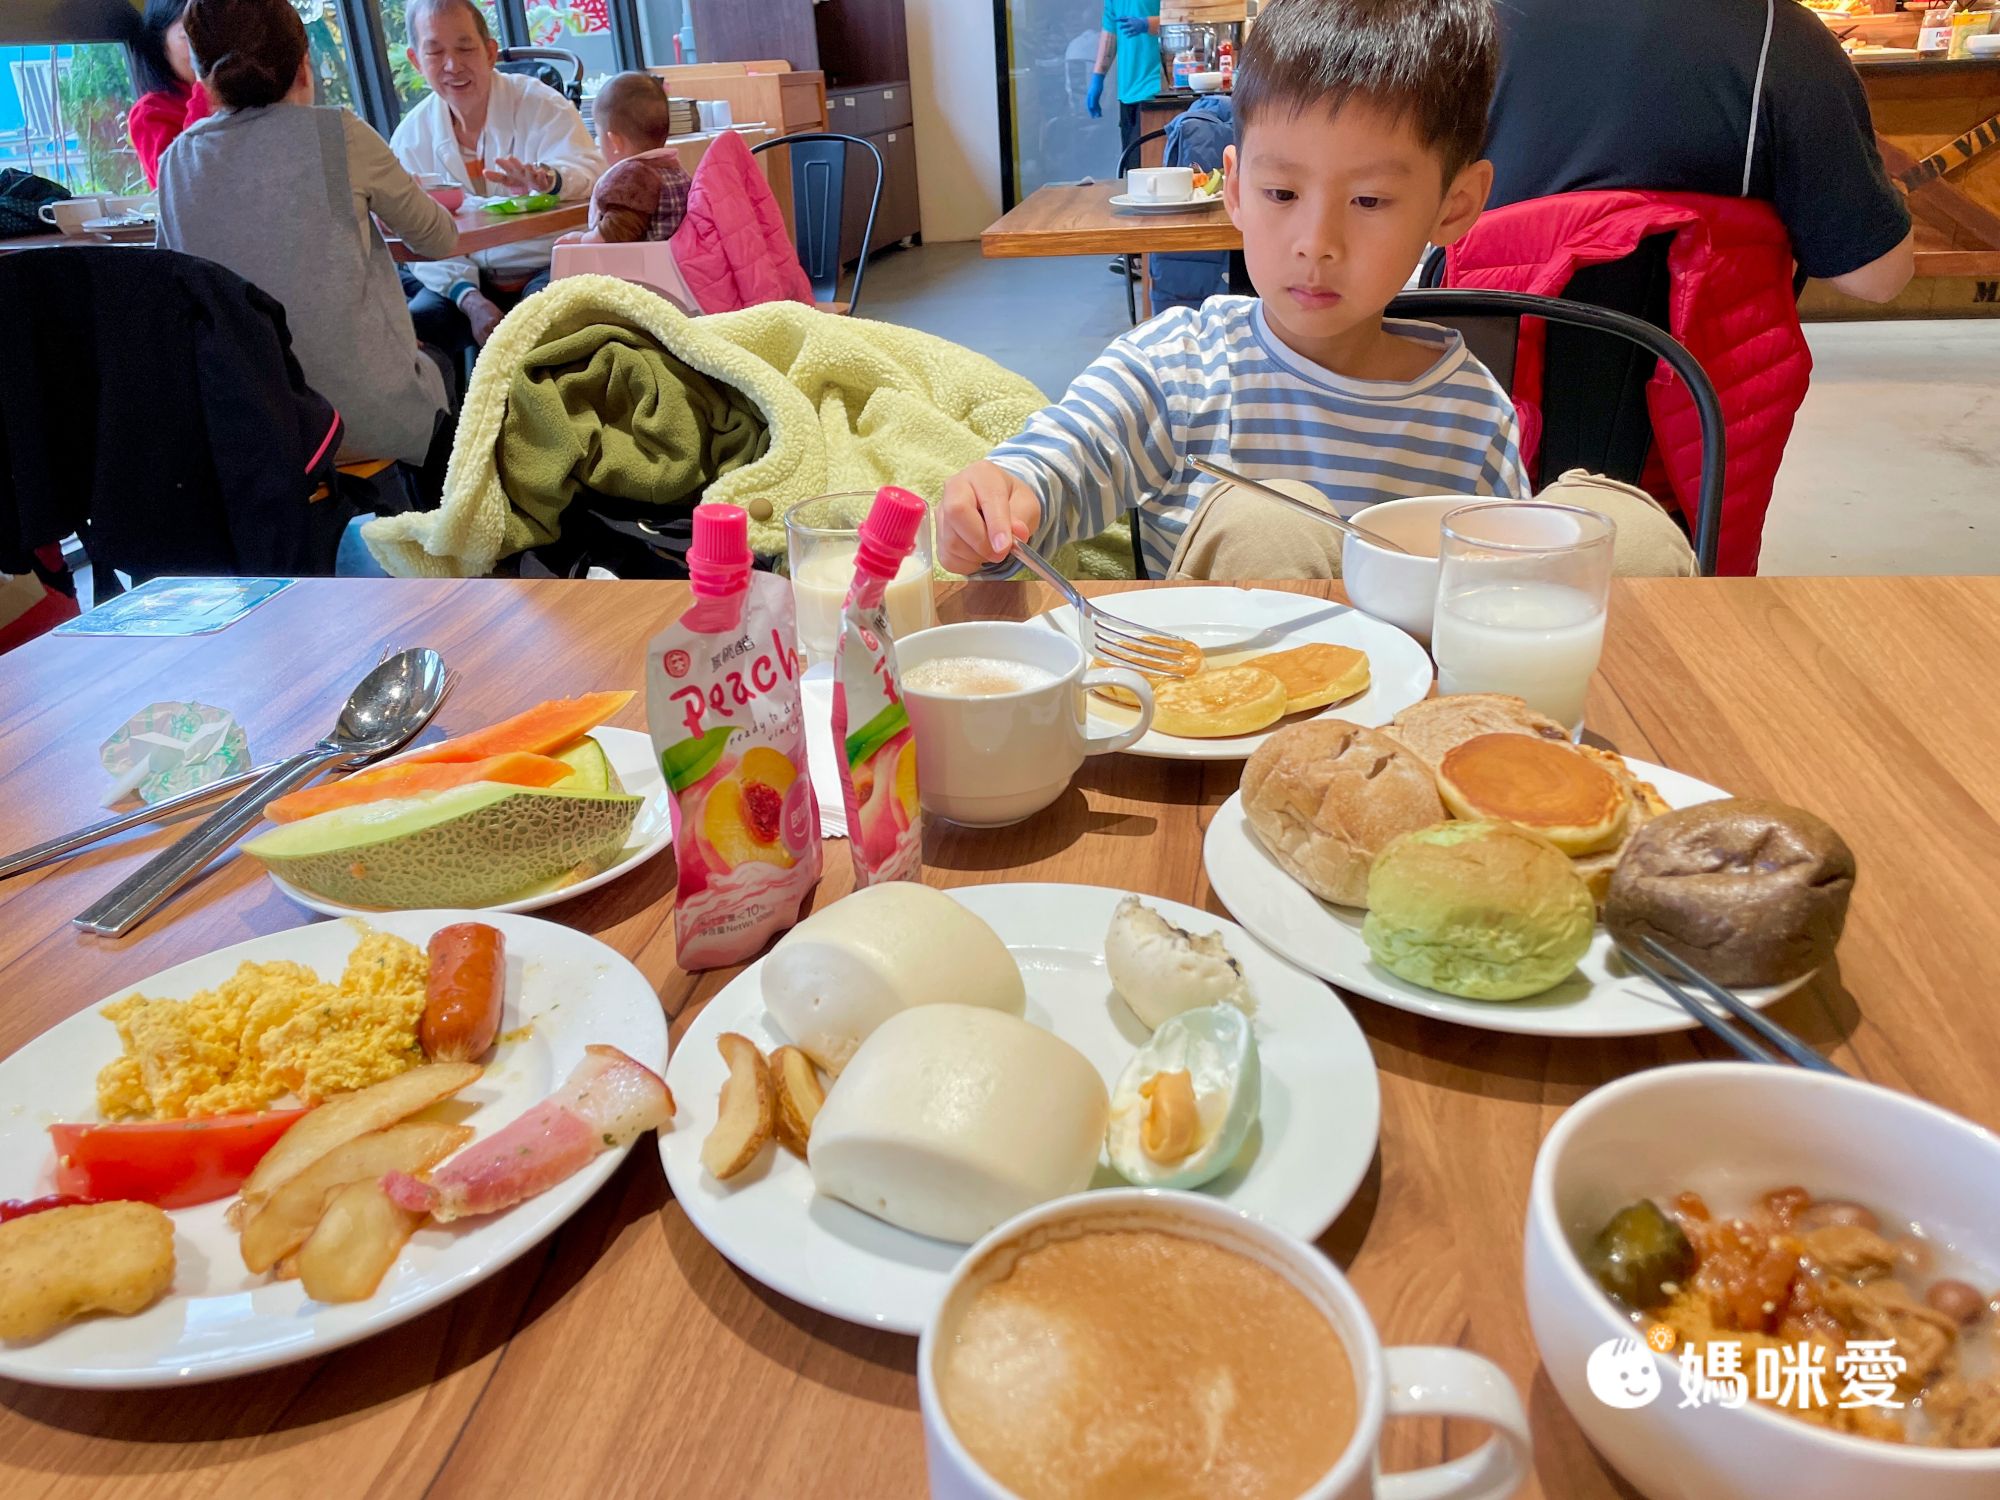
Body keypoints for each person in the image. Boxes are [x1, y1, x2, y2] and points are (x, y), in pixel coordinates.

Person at [941, 0, 1527, 579]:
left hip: (1408, 648)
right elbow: (1063, 462)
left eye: (1368, 200)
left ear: (1455, 206)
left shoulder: (1473, 418)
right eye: (1282, 193)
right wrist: (1001, 502)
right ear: (1238, 188)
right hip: (1213, 646)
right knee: (1268, 525)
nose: (1316, 243)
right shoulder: (1178, 368)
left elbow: (1505, 593)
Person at [158, 0, 460, 469]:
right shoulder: (339, 133)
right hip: (362, 419)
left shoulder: (176, 163)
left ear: (201, 74)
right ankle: (439, 508)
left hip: (254, 434)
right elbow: (439, 240)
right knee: (442, 362)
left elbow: (173, 296)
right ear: (303, 64)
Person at [1482, 0, 1912, 303]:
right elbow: (1877, 279)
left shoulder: (1469, 22)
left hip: (1480, 381)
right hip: (1702, 393)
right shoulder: (1782, 35)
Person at [390, 0, 602, 355]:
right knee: (416, 332)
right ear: (416, 61)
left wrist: (550, 179)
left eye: (465, 48)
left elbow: (593, 172)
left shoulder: (542, 104)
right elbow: (414, 234)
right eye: (435, 52)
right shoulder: (410, 138)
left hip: (545, 264)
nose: (452, 65)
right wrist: (469, 299)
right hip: (462, 281)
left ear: (490, 52)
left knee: (536, 332)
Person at [568, 72, 691, 245]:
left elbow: (616, 232)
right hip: (674, 258)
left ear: (615, 142)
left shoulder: (632, 178)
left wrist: (582, 240)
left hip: (641, 262)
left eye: (598, 136)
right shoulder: (675, 170)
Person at [127, 0, 212, 188]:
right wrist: (204, 90)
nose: (206, 46)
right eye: (190, 36)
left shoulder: (240, 94)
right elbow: (179, 186)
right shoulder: (150, 113)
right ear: (160, 42)